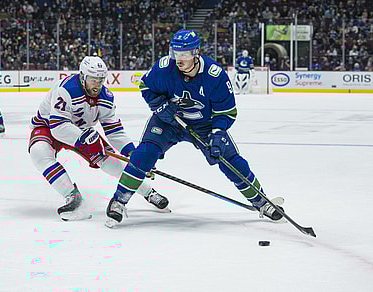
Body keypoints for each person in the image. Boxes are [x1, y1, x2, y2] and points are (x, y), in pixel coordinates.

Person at [106, 29, 284, 227]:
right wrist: (159, 105)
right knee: (144, 154)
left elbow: (227, 112)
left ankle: (261, 201)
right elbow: (146, 86)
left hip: (205, 126)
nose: (179, 59)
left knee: (231, 161)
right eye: (175, 53)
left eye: (184, 54)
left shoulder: (214, 75)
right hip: (168, 121)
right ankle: (118, 201)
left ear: (196, 53)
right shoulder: (165, 68)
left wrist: (217, 133)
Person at [28, 56, 169, 221]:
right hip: (49, 127)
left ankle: (148, 192)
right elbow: (58, 127)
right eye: (93, 79)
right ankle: (72, 196)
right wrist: (83, 137)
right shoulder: (66, 89)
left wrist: (134, 155)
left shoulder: (106, 97)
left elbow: (114, 131)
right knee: (39, 152)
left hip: (83, 131)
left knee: (112, 164)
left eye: (101, 79)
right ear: (83, 76)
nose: (97, 84)